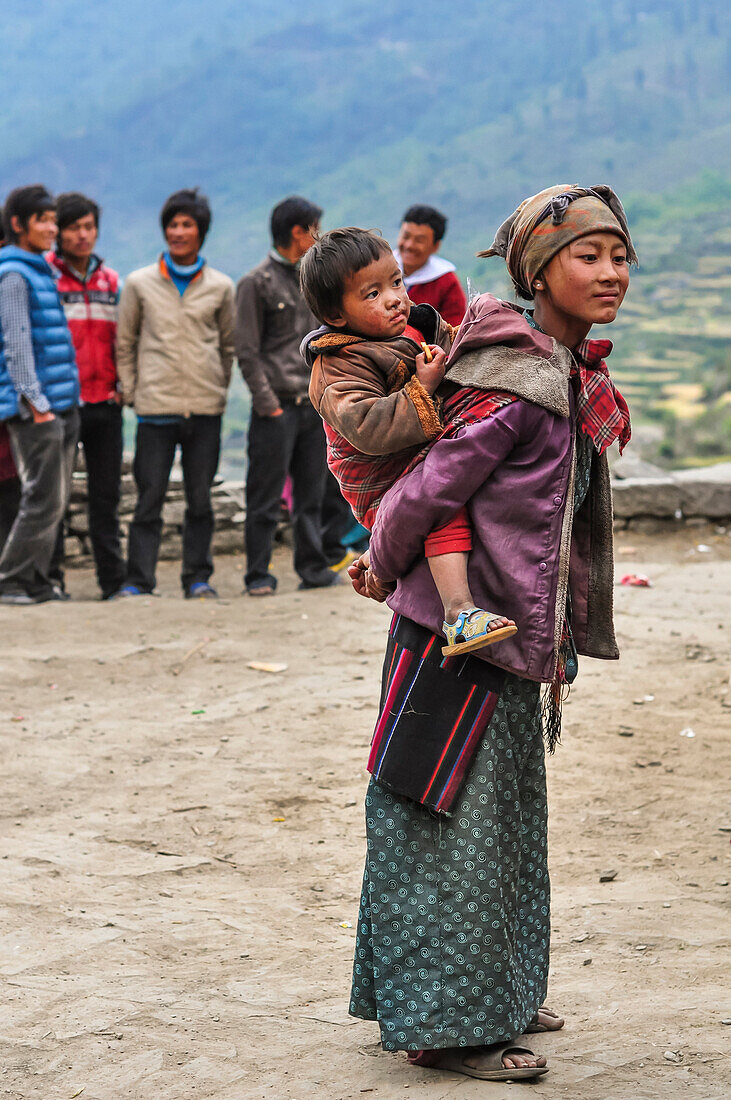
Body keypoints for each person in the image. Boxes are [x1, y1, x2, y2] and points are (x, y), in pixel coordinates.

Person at [346, 185, 635, 1081]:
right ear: (537, 270)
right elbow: (425, 492)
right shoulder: (517, 384)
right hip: (451, 639)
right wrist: (382, 565)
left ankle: (494, 994)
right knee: (444, 827)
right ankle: (447, 1027)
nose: (609, 273)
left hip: (506, 638)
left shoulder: (560, 372)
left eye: (619, 256)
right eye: (587, 256)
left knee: (498, 823)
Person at [301, 226, 516, 656]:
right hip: (378, 479)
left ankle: (376, 565)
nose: (395, 297)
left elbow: (458, 349)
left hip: (409, 460)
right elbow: (368, 427)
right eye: (372, 294)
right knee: (439, 507)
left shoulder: (401, 332)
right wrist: (420, 387)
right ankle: (459, 612)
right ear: (337, 316)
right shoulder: (337, 367)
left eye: (396, 282)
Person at [116, 188, 235, 598]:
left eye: (187, 225)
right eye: (172, 224)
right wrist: (133, 392)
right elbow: (125, 342)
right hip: (155, 408)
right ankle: (138, 581)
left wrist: (217, 388)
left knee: (200, 500)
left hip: (205, 408)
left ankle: (197, 579)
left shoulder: (221, 287)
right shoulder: (139, 284)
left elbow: (228, 347)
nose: (178, 232)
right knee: (149, 498)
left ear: (201, 232)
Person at [236, 195, 339, 595]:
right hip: (275, 408)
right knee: (264, 496)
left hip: (311, 405)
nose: (317, 238)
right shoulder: (254, 283)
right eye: (314, 229)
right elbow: (246, 351)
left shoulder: (310, 282)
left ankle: (312, 568)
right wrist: (269, 405)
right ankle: (258, 574)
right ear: (298, 232)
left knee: (310, 494)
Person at [0, 185, 80, 605]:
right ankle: (11, 579)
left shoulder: (38, 269)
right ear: (18, 224)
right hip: (39, 409)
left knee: (56, 500)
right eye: (43, 220)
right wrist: (38, 405)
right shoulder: (13, 274)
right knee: (42, 499)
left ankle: (36, 581)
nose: (53, 228)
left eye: (53, 219)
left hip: (62, 402)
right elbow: (17, 346)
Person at [48, 192, 124, 599]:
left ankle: (113, 582)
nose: (82, 235)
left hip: (106, 405)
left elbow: (121, 343)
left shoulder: (111, 282)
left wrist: (122, 387)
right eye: (74, 227)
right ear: (59, 232)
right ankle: (52, 579)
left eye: (88, 227)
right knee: (54, 497)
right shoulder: (46, 279)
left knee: (106, 496)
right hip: (63, 404)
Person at [395, 204, 468, 326]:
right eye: (405, 236)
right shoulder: (379, 266)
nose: (409, 245)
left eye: (419, 240)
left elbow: (454, 330)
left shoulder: (447, 281)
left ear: (436, 246)